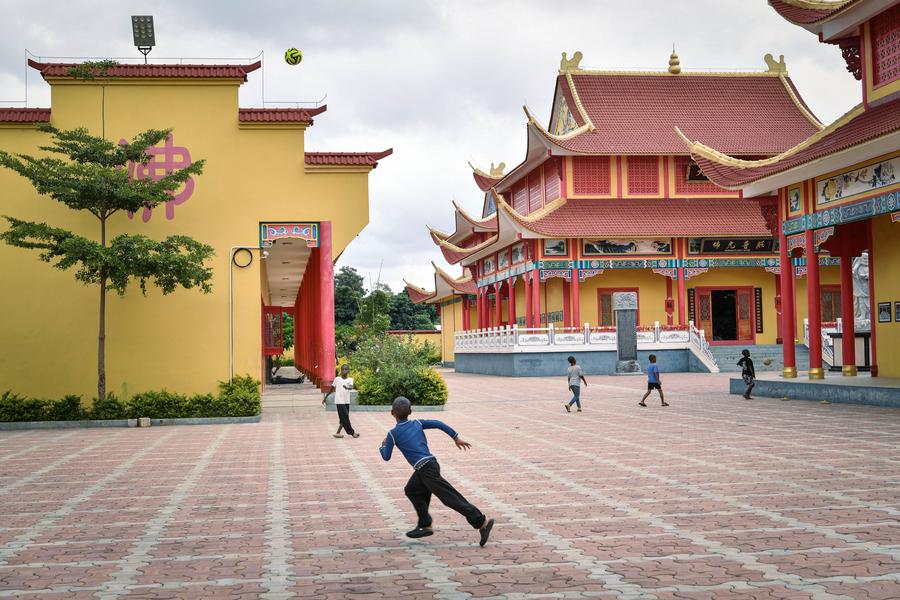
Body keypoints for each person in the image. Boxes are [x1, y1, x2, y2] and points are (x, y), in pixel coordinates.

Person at [379, 396, 494, 546]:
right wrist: (455, 438)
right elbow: (439, 424)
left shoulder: (392, 434)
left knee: (449, 497)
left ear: (392, 412)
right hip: (428, 466)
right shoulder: (418, 423)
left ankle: (481, 522)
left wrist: (382, 446)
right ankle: (425, 524)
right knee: (412, 490)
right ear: (411, 411)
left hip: (426, 470)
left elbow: (386, 457)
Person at [324, 364, 358, 438]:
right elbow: (332, 388)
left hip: (346, 401)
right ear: (341, 370)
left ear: (348, 370)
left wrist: (347, 387)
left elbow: (351, 387)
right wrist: (325, 397)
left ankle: (338, 433)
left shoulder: (350, 379)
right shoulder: (337, 379)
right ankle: (352, 433)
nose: (344, 371)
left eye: (346, 369)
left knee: (343, 418)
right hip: (339, 401)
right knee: (345, 416)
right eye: (343, 369)